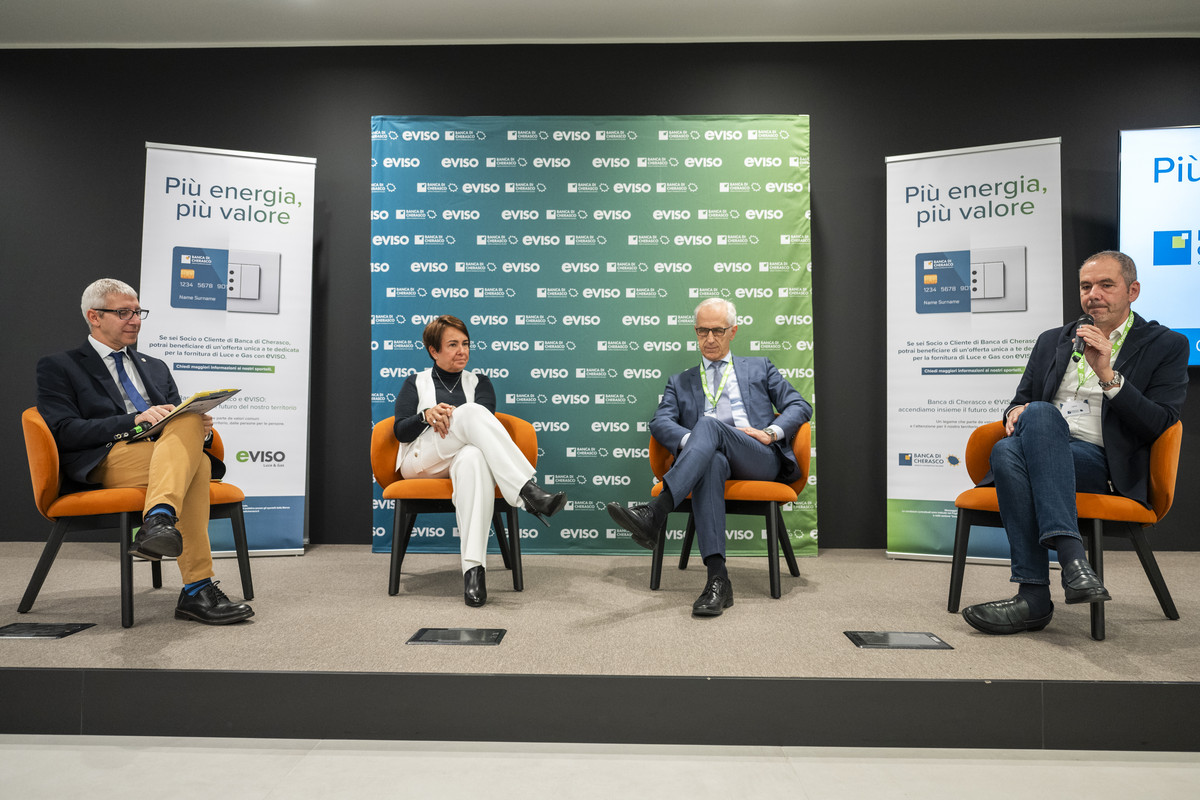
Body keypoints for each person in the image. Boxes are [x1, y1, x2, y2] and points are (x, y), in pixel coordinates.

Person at [962, 251, 1189, 635]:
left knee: (1013, 446)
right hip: (1041, 446)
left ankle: (1035, 595)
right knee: (1020, 432)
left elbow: (1160, 423)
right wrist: (1014, 414)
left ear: (1132, 291)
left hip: (1104, 463)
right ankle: (1072, 565)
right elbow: (1020, 401)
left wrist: (1108, 376)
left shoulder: (1165, 344)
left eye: (1106, 285)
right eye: (1086, 286)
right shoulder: (1053, 340)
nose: (1093, 294)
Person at [36, 278, 254, 625]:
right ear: (94, 316)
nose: (135, 320)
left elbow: (178, 421)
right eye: (124, 313)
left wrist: (201, 429)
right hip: (107, 457)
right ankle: (196, 589)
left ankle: (159, 520)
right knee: (196, 465)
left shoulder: (155, 366)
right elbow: (64, 430)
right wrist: (133, 420)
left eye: (138, 312)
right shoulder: (60, 366)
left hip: (163, 455)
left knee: (189, 424)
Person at [606, 297, 812, 617]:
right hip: (709, 461)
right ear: (695, 332)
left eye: (718, 330)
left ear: (733, 331)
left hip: (757, 457)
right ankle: (718, 580)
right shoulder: (680, 381)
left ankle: (656, 512)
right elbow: (660, 422)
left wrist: (771, 433)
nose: (710, 339)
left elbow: (800, 405)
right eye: (703, 331)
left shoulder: (760, 367)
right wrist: (696, 443)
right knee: (711, 457)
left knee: (708, 424)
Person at [393, 314, 567, 607]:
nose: (462, 351)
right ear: (434, 351)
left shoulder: (480, 383)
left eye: (465, 343)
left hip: (461, 459)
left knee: (474, 455)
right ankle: (526, 490)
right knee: (471, 412)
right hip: (421, 461)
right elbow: (400, 431)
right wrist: (426, 416)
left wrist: (454, 417)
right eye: (452, 345)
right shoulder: (416, 382)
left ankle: (474, 571)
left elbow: (483, 433)